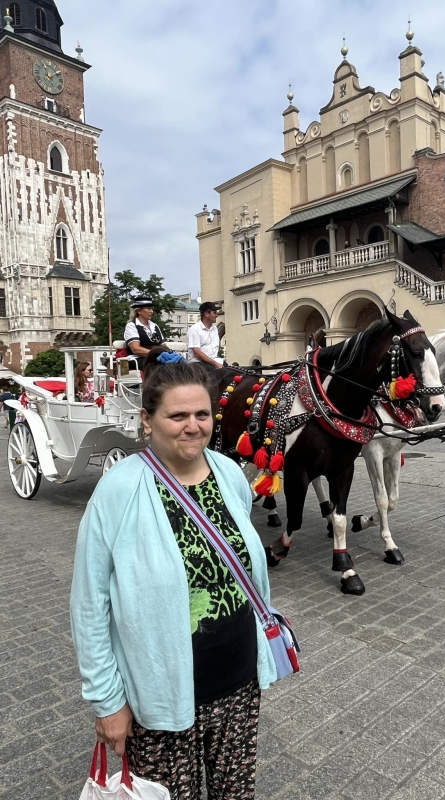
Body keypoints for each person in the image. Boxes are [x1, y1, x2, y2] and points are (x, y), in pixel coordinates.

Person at [70, 346, 276, 799]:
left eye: (202, 414)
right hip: (159, 693)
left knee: (235, 793)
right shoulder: (119, 489)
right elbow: (89, 605)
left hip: (239, 682)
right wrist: (107, 701)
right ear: (148, 420)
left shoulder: (227, 473)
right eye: (177, 415)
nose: (193, 426)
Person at [124, 296, 167, 370]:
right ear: (139, 311)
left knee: (177, 363)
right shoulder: (132, 326)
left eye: (152, 309)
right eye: (148, 308)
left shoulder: (154, 326)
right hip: (139, 359)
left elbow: (163, 345)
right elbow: (136, 349)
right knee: (161, 366)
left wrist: (169, 353)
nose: (151, 311)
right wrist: (157, 354)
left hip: (156, 358)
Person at [187, 301, 223, 370]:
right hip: (198, 364)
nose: (217, 315)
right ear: (206, 314)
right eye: (214, 312)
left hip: (214, 361)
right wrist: (215, 364)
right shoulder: (194, 329)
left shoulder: (215, 328)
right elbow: (197, 353)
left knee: (233, 371)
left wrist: (216, 363)